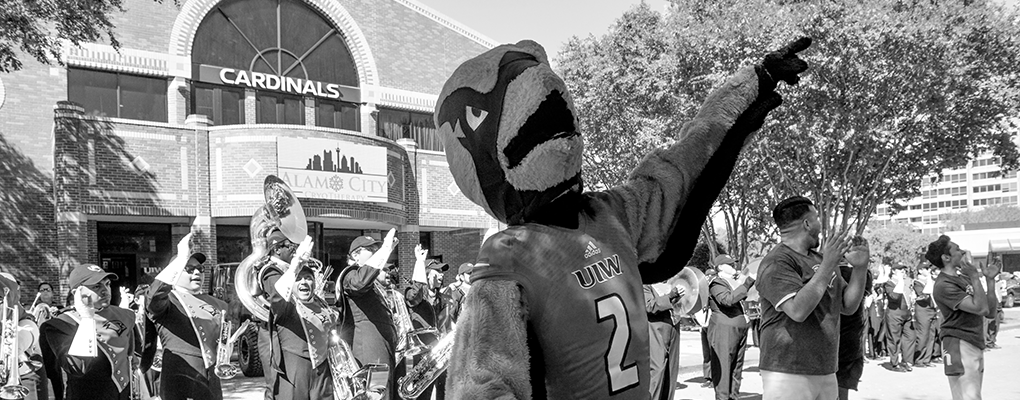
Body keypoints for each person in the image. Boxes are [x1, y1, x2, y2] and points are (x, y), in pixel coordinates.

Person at [756, 196, 870, 400]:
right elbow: (797, 311)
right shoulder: (776, 262)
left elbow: (847, 306)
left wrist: (860, 268)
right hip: (788, 371)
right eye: (817, 218)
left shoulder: (821, 260)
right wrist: (827, 265)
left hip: (826, 368)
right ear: (807, 224)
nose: (821, 225)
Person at [262, 235, 348, 400]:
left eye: (308, 279)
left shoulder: (321, 304)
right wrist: (294, 267)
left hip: (323, 371)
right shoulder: (287, 307)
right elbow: (277, 296)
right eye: (299, 279)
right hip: (294, 370)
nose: (304, 283)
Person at [40, 264, 140, 400]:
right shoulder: (60, 324)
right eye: (96, 287)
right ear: (77, 293)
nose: (105, 291)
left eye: (107, 284)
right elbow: (77, 367)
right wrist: (87, 318)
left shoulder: (124, 315)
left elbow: (132, 358)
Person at [146, 233, 227, 400]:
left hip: (211, 380)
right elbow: (153, 296)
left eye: (200, 268)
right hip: (180, 380)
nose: (197, 272)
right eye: (189, 269)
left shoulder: (218, 303)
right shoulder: (168, 300)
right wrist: (181, 257)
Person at [926, 235, 998, 400]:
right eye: (957, 249)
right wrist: (974, 277)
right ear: (946, 257)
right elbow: (980, 308)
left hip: (973, 342)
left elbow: (990, 312)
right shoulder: (944, 285)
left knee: (973, 396)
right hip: (959, 344)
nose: (963, 251)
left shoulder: (962, 278)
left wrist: (990, 281)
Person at [339, 230, 398, 400]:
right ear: (356, 256)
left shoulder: (373, 282)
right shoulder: (350, 274)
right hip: (370, 348)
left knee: (386, 394)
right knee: (375, 395)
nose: (375, 253)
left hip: (383, 346)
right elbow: (359, 283)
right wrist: (385, 249)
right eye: (371, 250)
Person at [404, 245, 451, 400]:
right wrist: (419, 262)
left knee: (443, 392)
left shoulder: (444, 298)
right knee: (422, 395)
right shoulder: (416, 297)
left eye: (442, 273)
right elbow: (414, 294)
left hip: (441, 353)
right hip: (422, 355)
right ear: (427, 275)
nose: (441, 276)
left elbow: (447, 324)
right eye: (437, 272)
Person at [707, 254, 755, 400]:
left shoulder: (733, 282)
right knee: (724, 368)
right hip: (724, 329)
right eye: (730, 264)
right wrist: (747, 283)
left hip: (738, 328)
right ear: (720, 267)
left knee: (736, 369)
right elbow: (727, 300)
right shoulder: (716, 283)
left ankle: (733, 396)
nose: (734, 266)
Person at [837, 256, 874, 400]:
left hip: (832, 333)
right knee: (842, 386)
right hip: (852, 332)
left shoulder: (827, 273)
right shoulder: (863, 274)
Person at [644, 280, 685, 400]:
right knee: (657, 370)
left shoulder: (672, 282)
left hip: (673, 327)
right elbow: (649, 306)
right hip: (656, 328)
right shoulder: (645, 283)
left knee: (671, 371)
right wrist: (670, 295)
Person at [884, 264, 916, 372]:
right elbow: (895, 296)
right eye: (900, 270)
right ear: (893, 271)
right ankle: (894, 363)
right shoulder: (889, 284)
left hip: (906, 313)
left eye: (904, 270)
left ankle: (906, 361)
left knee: (910, 337)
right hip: (894, 313)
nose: (903, 272)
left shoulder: (906, 283)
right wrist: (901, 281)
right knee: (894, 338)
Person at [912, 265, 938, 367]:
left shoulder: (930, 282)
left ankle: (927, 359)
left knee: (931, 335)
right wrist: (928, 279)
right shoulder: (917, 282)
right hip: (923, 310)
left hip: (932, 309)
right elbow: (924, 294)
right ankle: (918, 359)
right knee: (923, 335)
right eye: (926, 269)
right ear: (920, 270)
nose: (928, 271)